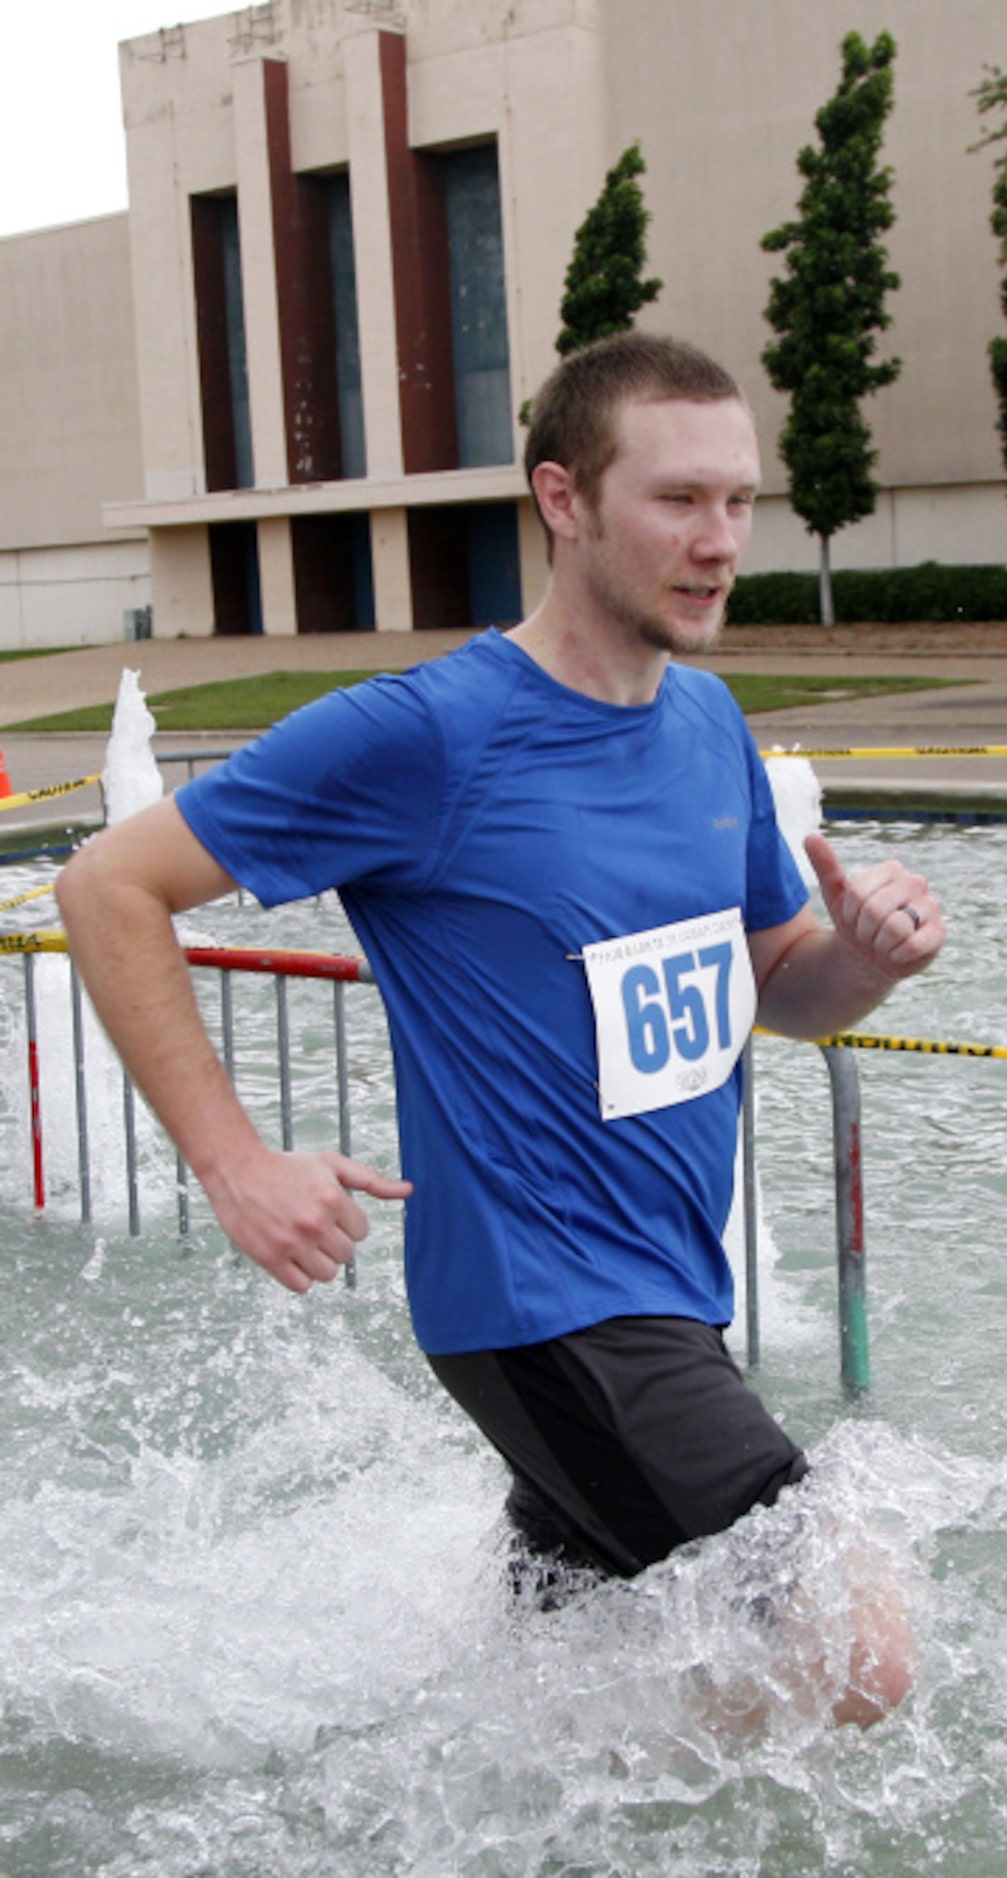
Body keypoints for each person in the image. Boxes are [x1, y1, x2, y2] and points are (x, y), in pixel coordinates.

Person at [56, 332, 944, 1729]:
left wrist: (868, 960)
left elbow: (778, 977)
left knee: (580, 1713)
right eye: (677, 501)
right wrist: (231, 1160)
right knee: (856, 1647)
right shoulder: (431, 734)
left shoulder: (708, 723)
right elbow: (108, 881)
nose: (719, 543)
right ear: (563, 498)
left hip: (666, 1298)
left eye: (739, 501)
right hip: (551, 1308)